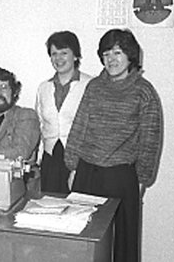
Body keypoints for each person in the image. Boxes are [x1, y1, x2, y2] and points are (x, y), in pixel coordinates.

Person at [64, 29, 163, 262]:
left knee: (121, 244)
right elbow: (79, 126)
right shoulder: (95, 87)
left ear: (130, 56)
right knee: (84, 241)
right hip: (87, 172)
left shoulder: (144, 92)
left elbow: (150, 141)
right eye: (106, 53)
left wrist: (141, 179)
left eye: (117, 53)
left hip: (121, 177)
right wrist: (72, 166)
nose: (111, 59)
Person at [35, 31, 92, 194]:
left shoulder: (91, 85)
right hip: (50, 159)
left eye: (64, 53)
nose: (58, 59)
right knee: (51, 206)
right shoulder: (43, 88)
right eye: (54, 54)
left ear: (75, 56)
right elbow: (40, 124)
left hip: (81, 160)